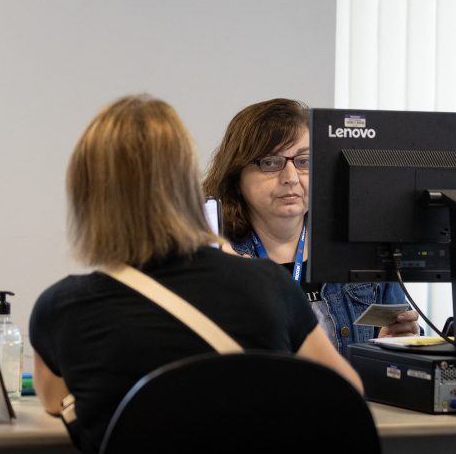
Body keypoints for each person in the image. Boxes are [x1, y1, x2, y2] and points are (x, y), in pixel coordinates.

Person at [29, 94, 363, 453]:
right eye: (270, 162)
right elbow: (346, 393)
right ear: (187, 186)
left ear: (85, 196)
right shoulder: (269, 284)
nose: (290, 176)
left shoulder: (60, 309)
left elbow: (55, 403)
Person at [203, 98, 420, 357]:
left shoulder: (362, 249)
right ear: (236, 175)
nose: (291, 178)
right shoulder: (215, 256)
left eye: (304, 161)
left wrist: (391, 347)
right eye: (270, 162)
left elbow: (395, 358)